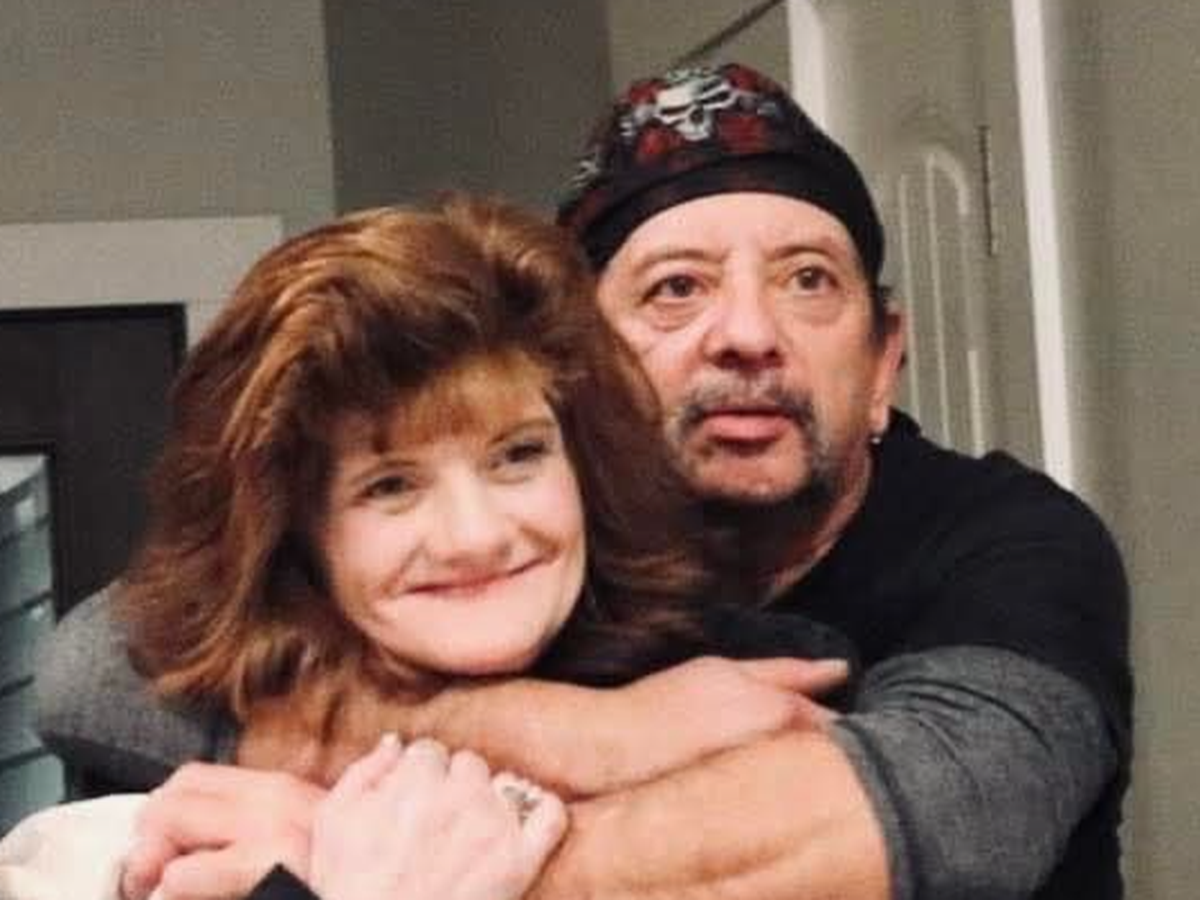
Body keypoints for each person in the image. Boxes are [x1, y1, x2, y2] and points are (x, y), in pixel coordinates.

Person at [36, 63, 1132, 900]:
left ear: (887, 358)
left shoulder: (1004, 547)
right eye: (676, 287)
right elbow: (92, 665)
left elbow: (958, 812)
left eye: (808, 280)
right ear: (592, 372)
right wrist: (577, 737)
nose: (748, 334)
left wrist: (380, 854)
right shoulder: (535, 613)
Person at [13, 195, 850, 900]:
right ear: (294, 534)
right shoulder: (172, 796)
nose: (476, 535)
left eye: (517, 456)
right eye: (391, 487)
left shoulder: (754, 689)